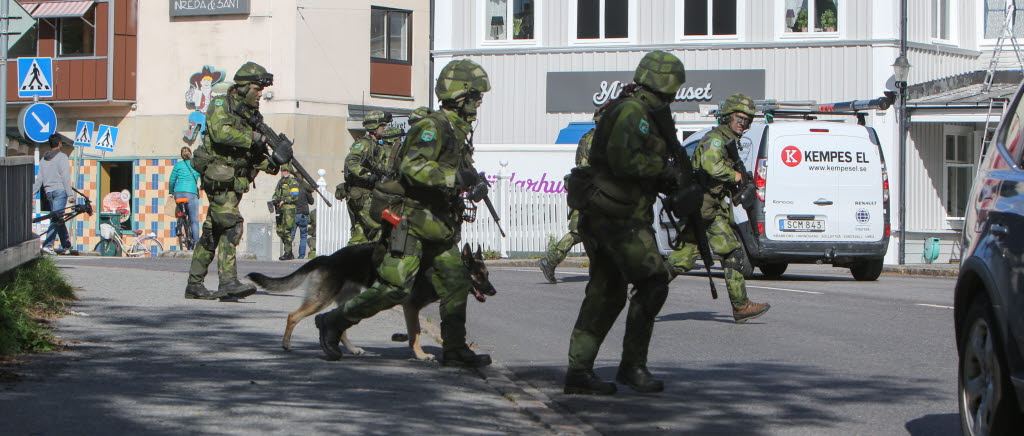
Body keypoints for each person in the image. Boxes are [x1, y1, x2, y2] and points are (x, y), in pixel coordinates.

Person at [315, 59, 494, 368]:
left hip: (437, 223)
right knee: (395, 288)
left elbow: (452, 168)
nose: (480, 101)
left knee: (456, 280)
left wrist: (472, 180)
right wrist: (455, 179)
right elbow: (413, 168)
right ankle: (333, 321)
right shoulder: (431, 127)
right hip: (410, 220)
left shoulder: (456, 129)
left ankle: (454, 347)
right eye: (476, 95)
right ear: (460, 95)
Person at [562, 51, 688, 395]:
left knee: (607, 293)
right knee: (653, 281)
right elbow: (624, 161)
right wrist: (663, 170)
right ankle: (631, 366)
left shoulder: (637, 108)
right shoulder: (634, 112)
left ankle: (579, 372)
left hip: (613, 214)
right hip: (618, 218)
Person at [185, 61, 291, 301]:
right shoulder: (221, 104)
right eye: (256, 89)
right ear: (243, 88)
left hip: (235, 182)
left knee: (212, 233)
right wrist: (253, 137)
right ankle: (228, 282)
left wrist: (275, 161)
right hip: (219, 177)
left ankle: (194, 284)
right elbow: (221, 133)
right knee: (231, 225)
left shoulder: (253, 115)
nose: (260, 95)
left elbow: (254, 156)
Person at [667, 93, 771, 323]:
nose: (743, 123)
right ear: (727, 117)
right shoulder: (715, 139)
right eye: (739, 118)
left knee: (685, 259)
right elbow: (710, 165)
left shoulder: (727, 141)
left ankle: (645, 291)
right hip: (705, 210)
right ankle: (740, 305)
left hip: (708, 210)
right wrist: (734, 175)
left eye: (747, 120)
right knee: (722, 254)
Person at [539, 109, 601, 283]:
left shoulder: (587, 138)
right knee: (579, 231)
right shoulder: (598, 139)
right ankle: (550, 261)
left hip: (587, 189)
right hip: (593, 191)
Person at [342, 110, 390, 245]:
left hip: (368, 194)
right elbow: (351, 161)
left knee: (359, 236)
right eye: (382, 126)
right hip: (362, 195)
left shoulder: (376, 145)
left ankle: (346, 262)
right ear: (374, 128)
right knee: (379, 227)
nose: (384, 128)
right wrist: (367, 174)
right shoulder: (364, 143)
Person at [32, 134, 74, 255]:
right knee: (56, 218)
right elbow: (66, 177)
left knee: (58, 217)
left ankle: (66, 245)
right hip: (60, 191)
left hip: (48, 192)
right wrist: (70, 195)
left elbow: (38, 179)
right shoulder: (62, 157)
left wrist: (33, 196)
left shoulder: (43, 159)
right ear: (59, 144)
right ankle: (48, 245)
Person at [169, 146, 202, 245]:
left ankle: (180, 222)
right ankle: (196, 243)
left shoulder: (178, 165)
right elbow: (203, 176)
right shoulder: (195, 164)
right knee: (194, 220)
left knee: (182, 213)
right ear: (190, 154)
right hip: (191, 194)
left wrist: (171, 192)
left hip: (178, 194)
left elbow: (172, 181)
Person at [273, 167, 301, 260]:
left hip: (289, 209)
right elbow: (276, 192)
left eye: (286, 170)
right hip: (280, 209)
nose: (285, 172)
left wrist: (284, 200)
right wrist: (274, 199)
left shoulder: (292, 182)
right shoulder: (281, 181)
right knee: (280, 231)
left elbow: (295, 197)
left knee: (287, 231)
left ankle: (288, 252)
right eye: (283, 170)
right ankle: (289, 252)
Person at [293, 176, 315, 259]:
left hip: (294, 214)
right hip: (303, 215)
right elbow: (311, 202)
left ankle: (288, 253)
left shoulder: (293, 187)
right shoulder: (306, 188)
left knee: (291, 236)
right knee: (303, 236)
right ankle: (301, 256)